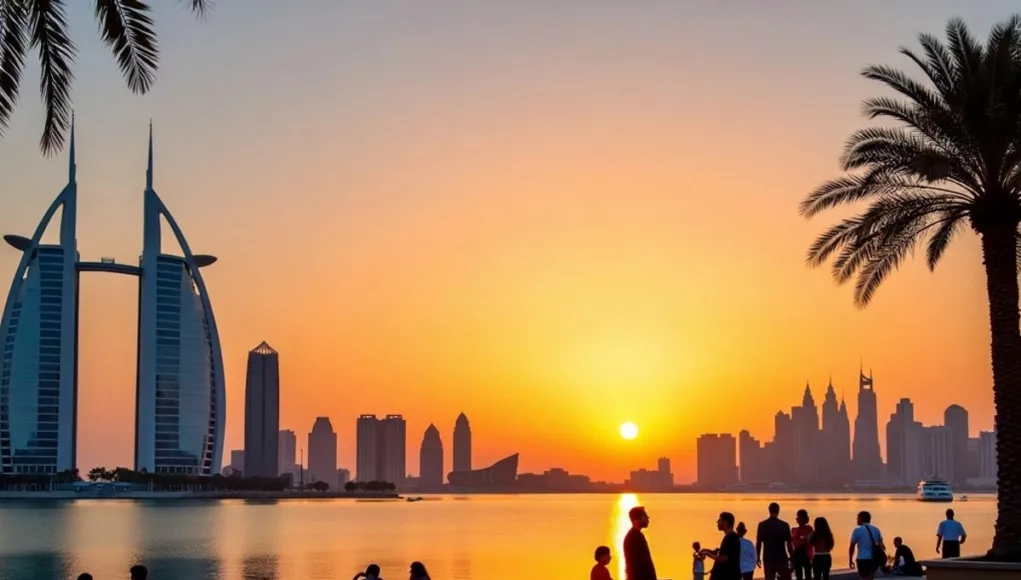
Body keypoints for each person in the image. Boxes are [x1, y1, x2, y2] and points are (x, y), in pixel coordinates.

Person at [756, 502, 794, 580]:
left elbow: (759, 542)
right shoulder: (784, 525)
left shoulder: (762, 525)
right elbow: (789, 543)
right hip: (781, 557)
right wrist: (792, 556)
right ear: (778, 511)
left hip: (768, 558)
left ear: (769, 511)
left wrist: (757, 556)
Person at [702, 511, 742, 580]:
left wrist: (707, 554)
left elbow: (723, 558)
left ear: (725, 523)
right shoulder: (732, 537)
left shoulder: (730, 538)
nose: (717, 522)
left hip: (727, 576)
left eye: (719, 520)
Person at [623, 506, 658, 580]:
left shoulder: (635, 536)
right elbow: (637, 565)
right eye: (645, 516)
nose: (648, 519)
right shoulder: (634, 537)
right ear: (639, 518)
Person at [849, 511, 886, 580]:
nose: (857, 519)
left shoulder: (857, 530)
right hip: (873, 559)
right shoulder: (876, 529)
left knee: (864, 578)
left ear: (862, 518)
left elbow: (852, 546)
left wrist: (850, 559)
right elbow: (882, 546)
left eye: (858, 518)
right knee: (871, 578)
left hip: (862, 559)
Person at [791, 509, 814, 580]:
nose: (797, 519)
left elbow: (808, 542)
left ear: (804, 518)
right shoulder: (793, 530)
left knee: (808, 574)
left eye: (799, 517)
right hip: (797, 556)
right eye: (797, 517)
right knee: (798, 575)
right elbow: (791, 543)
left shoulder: (809, 529)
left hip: (806, 554)